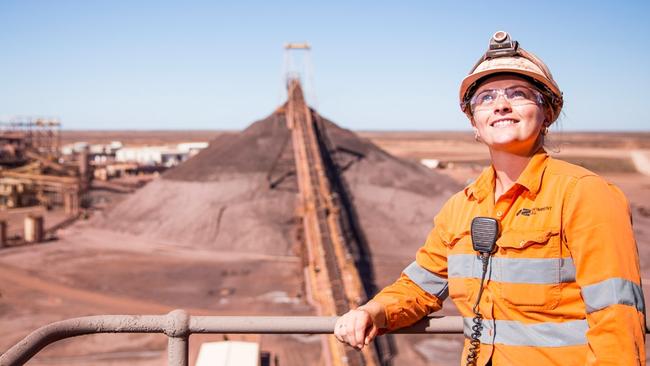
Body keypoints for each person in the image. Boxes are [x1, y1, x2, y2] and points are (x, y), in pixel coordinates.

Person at [334, 31, 646, 366]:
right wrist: (373, 311)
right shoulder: (461, 208)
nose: (500, 104)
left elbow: (616, 319)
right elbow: (420, 287)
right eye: (485, 98)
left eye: (519, 94)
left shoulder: (584, 194)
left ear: (547, 114)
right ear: (474, 123)